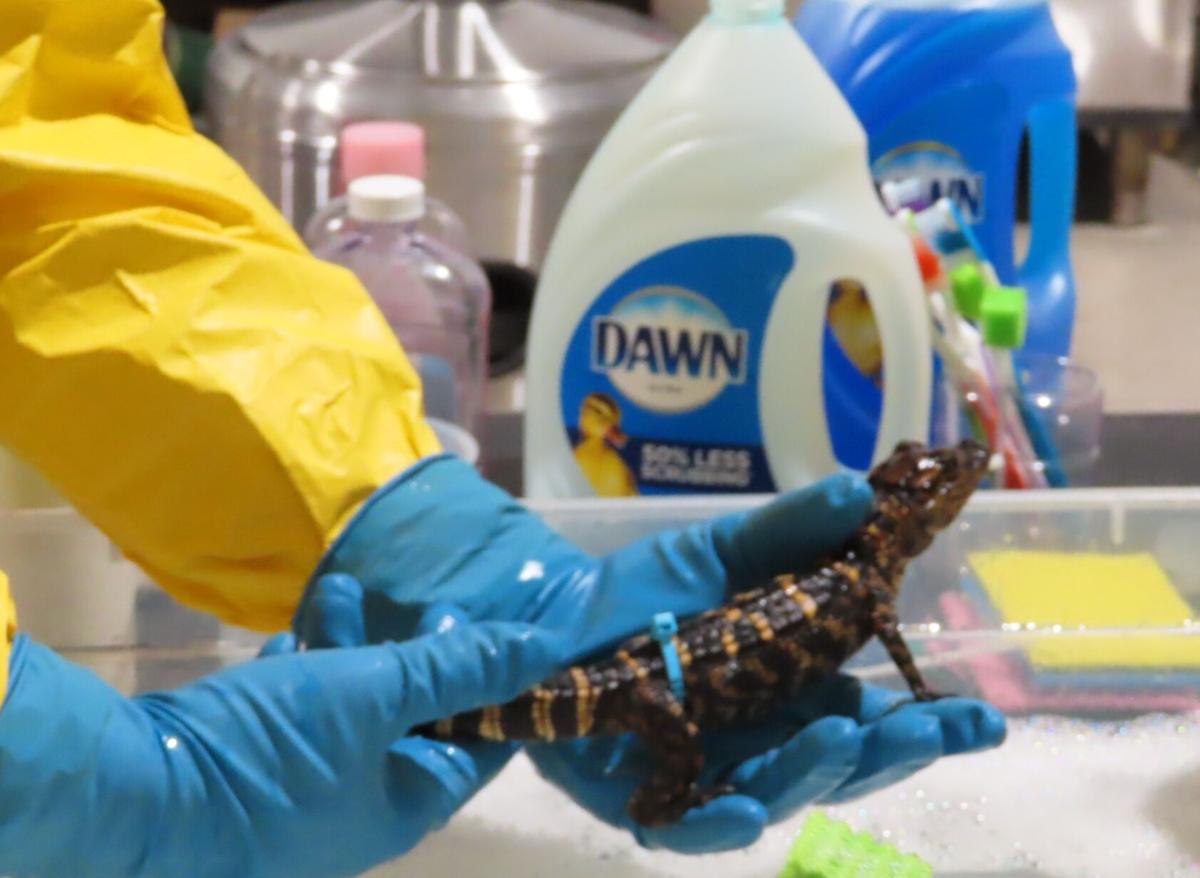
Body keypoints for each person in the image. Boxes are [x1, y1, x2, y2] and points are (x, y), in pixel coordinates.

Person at [0, 2, 1007, 876]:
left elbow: (50, 155)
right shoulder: (863, 584)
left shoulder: (858, 575)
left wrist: (388, 505)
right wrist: (67, 772)